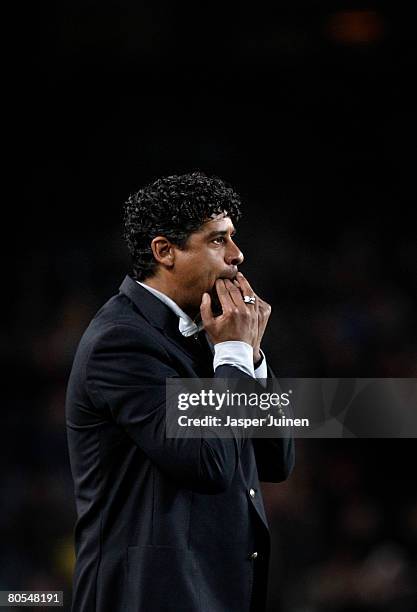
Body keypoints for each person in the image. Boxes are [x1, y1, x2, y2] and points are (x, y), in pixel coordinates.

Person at [66, 171, 295, 612]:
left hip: (215, 588)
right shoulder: (122, 342)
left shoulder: (211, 330)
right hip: (149, 595)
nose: (237, 255)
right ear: (164, 251)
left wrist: (252, 355)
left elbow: (275, 459)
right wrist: (232, 353)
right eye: (217, 240)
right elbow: (209, 464)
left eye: (233, 238)